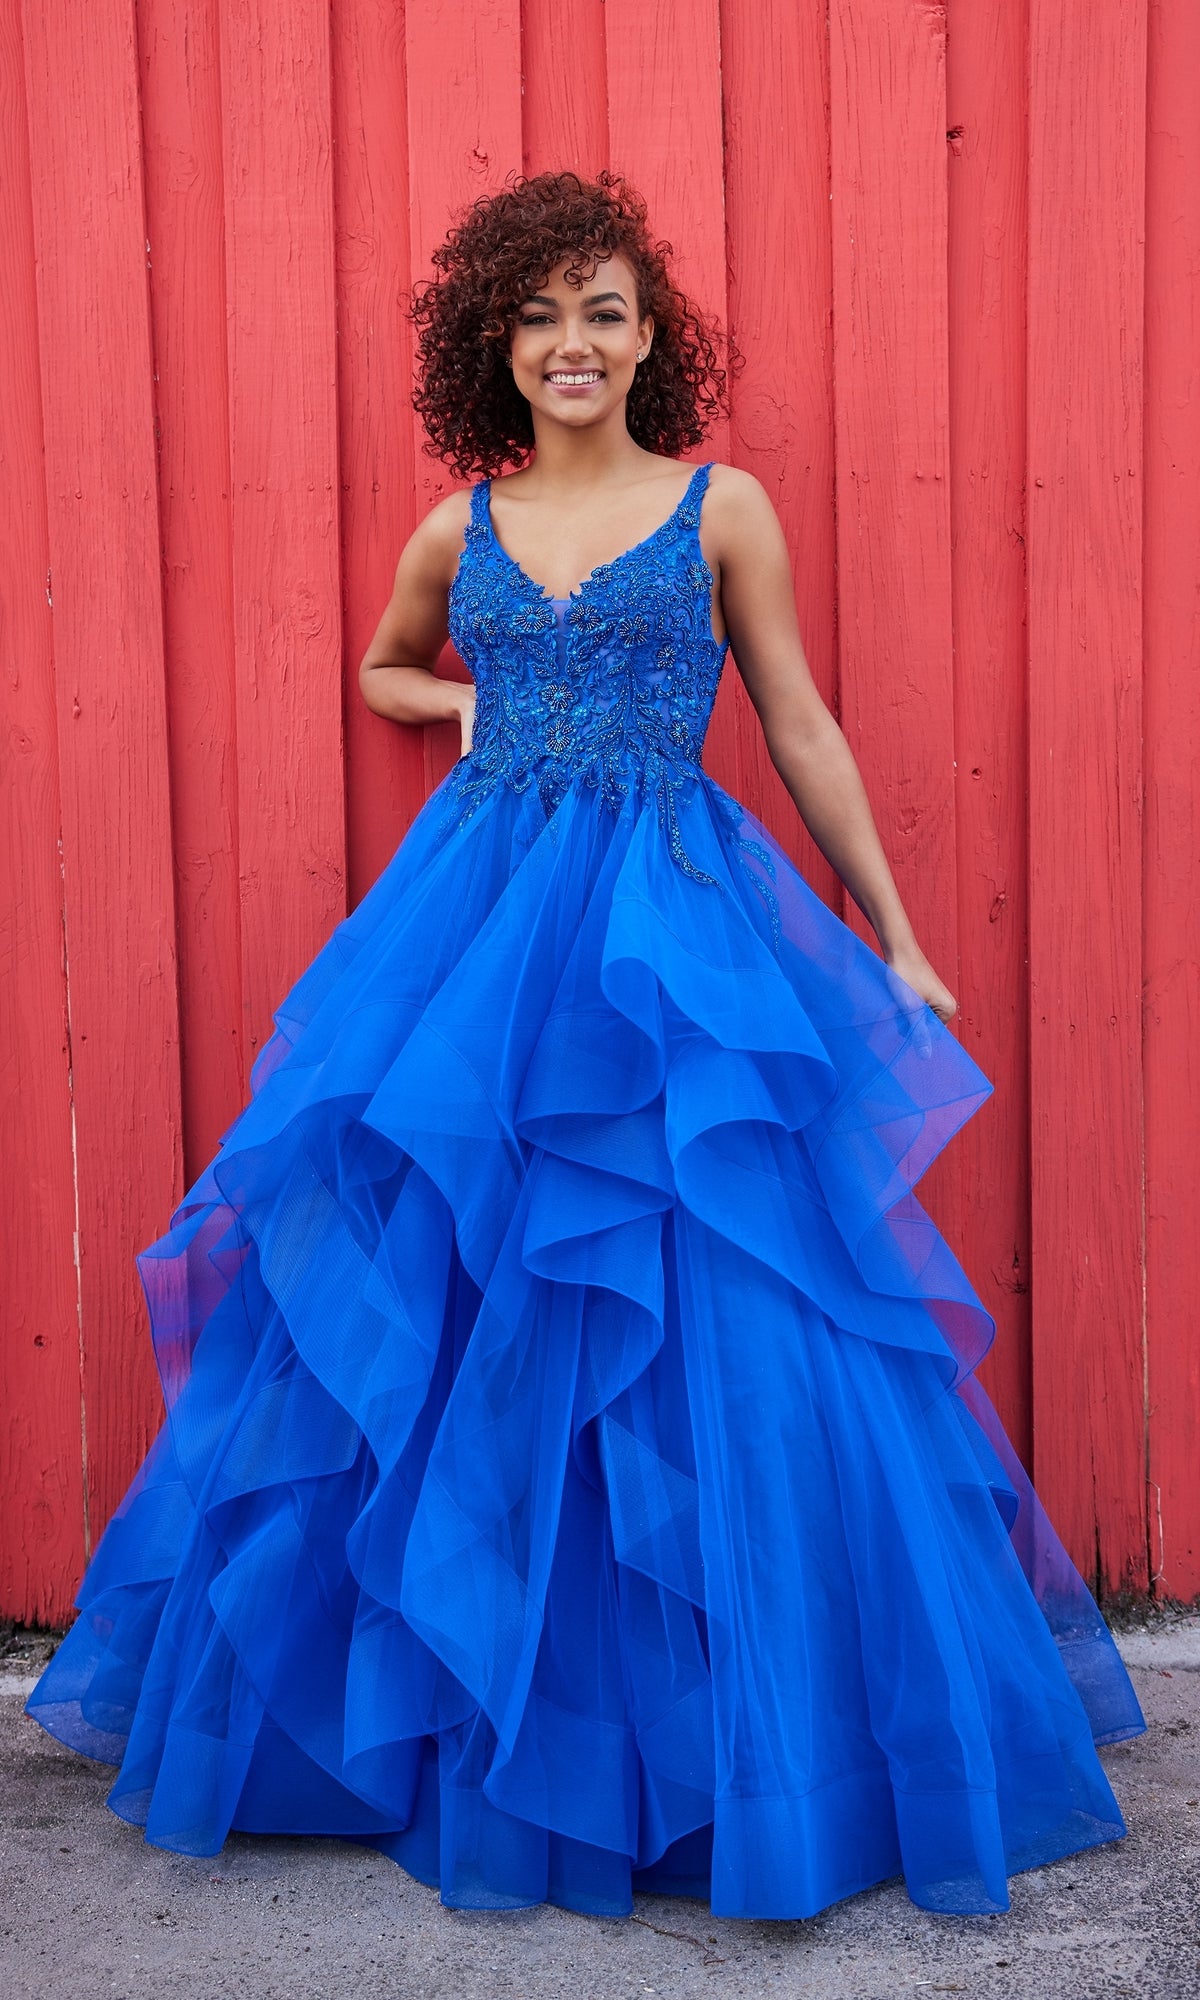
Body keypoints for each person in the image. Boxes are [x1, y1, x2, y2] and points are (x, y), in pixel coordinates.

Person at [27, 169, 1144, 1922]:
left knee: (707, 1288)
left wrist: (899, 935)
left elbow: (797, 720)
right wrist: (468, 702)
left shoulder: (719, 508)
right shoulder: (457, 527)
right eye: (540, 315)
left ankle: (737, 1748)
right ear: (498, 342)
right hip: (474, 933)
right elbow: (386, 669)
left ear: (646, 341)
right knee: (456, 1277)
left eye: (603, 312)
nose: (572, 341)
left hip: (665, 931)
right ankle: (442, 1726)